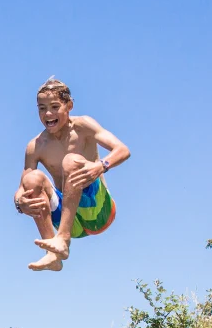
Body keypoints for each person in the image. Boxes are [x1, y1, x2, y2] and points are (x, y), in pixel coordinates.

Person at [14, 77, 130, 271]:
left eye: (54, 106)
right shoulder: (35, 146)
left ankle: (63, 240)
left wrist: (100, 166)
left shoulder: (83, 126)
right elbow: (21, 189)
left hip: (97, 213)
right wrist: (21, 203)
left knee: (71, 160)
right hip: (67, 218)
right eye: (42, 108)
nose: (48, 114)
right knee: (31, 179)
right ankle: (54, 254)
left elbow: (122, 150)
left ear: (69, 105)